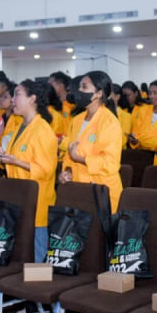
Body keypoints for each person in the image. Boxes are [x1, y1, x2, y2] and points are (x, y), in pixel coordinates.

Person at [0, 79, 58, 263]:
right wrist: (3, 158)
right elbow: (16, 160)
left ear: (32, 99)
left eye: (17, 95)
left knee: (36, 258)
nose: (12, 100)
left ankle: (37, 292)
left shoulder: (42, 130)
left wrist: (16, 161)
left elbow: (46, 170)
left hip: (37, 202)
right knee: (21, 255)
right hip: (19, 198)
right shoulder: (21, 126)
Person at [59, 70, 124, 211]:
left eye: (84, 87)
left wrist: (79, 158)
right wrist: (66, 172)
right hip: (79, 189)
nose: (79, 91)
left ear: (99, 93)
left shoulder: (109, 122)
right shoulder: (77, 120)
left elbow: (110, 163)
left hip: (101, 193)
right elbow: (70, 152)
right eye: (80, 87)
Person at [128, 79, 157, 150]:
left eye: (155, 93)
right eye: (150, 93)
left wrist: (143, 140)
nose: (152, 96)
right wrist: (135, 141)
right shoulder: (143, 110)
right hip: (141, 156)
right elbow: (137, 135)